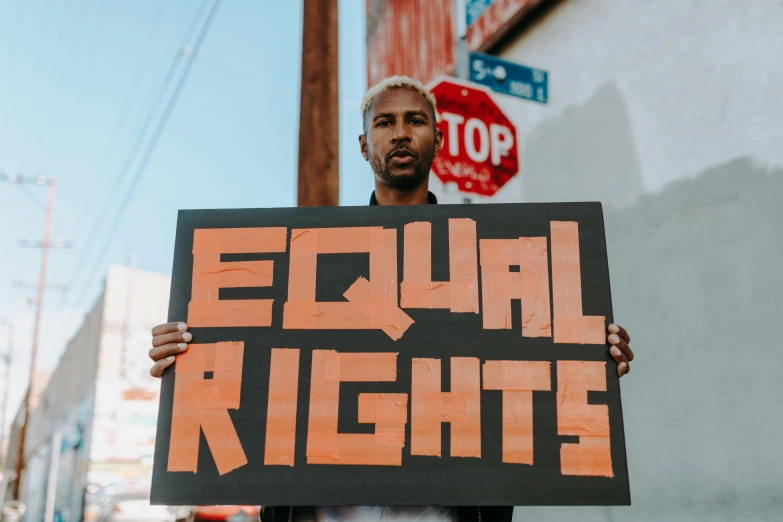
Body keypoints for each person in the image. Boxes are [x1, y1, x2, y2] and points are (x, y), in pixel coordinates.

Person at [149, 76, 635, 522]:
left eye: (415, 120)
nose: (400, 133)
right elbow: (258, 364)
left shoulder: (487, 263)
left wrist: (587, 354)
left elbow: (530, 370)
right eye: (385, 122)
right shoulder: (310, 263)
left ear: (438, 141)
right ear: (365, 145)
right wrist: (189, 349)